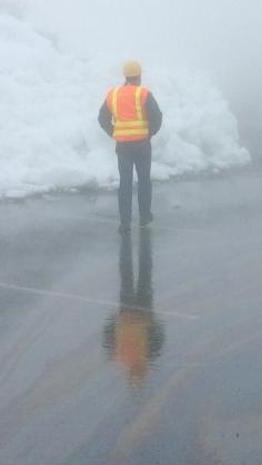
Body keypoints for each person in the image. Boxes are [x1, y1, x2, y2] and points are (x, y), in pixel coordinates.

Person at [98, 61, 163, 233]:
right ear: (139, 76)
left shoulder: (113, 94)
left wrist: (114, 132)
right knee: (144, 181)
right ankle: (144, 218)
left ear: (125, 76)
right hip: (142, 145)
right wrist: (149, 133)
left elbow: (102, 118)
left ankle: (125, 223)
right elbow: (157, 117)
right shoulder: (144, 93)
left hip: (123, 146)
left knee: (125, 183)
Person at [102, 229, 165, 389]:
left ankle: (132, 242)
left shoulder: (120, 358)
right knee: (140, 275)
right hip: (141, 312)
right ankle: (139, 243)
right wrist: (153, 322)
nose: (136, 374)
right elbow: (157, 338)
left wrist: (113, 321)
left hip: (129, 311)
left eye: (134, 377)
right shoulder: (146, 357)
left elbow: (109, 338)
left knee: (132, 276)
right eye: (139, 377)